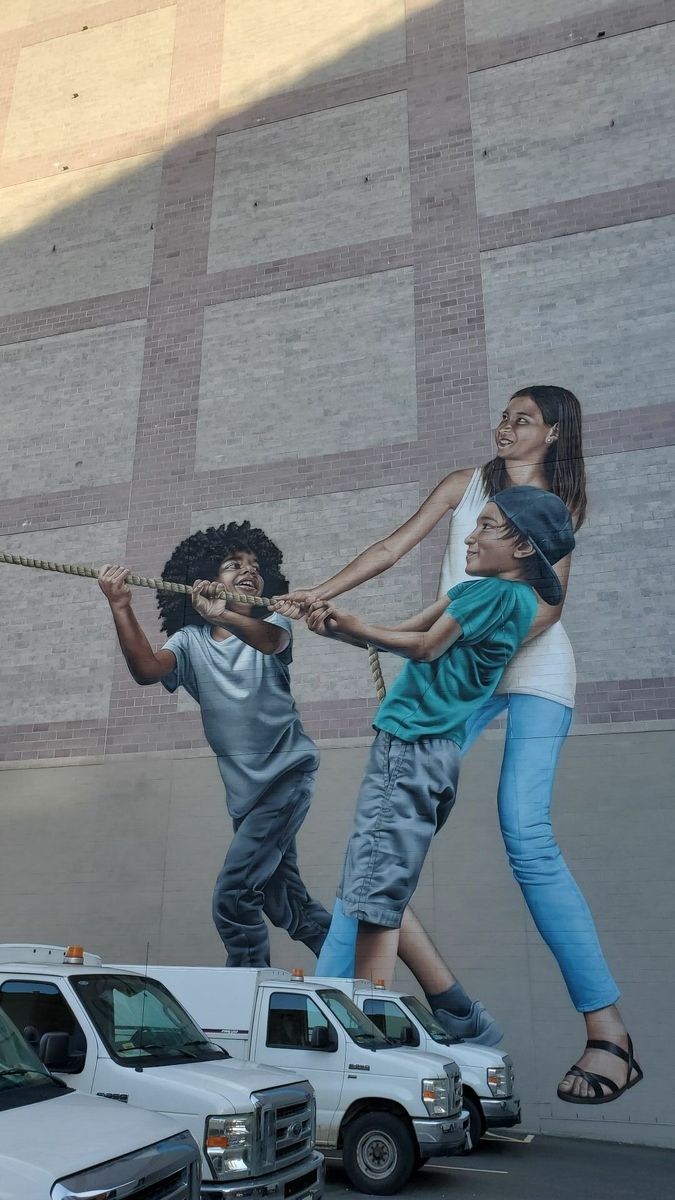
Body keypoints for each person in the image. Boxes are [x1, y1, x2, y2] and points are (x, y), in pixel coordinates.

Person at [278, 385, 641, 1104]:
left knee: (526, 836)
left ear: (554, 434)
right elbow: (391, 549)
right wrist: (318, 592)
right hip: (457, 667)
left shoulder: (558, 507)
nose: (505, 427)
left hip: (525, 668)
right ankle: (331, 1014)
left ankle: (610, 1036)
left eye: (522, 420)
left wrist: (453, 648)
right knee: (379, 838)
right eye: (503, 416)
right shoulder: (464, 485)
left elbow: (546, 610)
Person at [303, 489, 572, 996]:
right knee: (378, 883)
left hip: (412, 748)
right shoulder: (484, 593)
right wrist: (337, 627)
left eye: (487, 526)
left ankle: (368, 1018)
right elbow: (399, 633)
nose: (470, 536)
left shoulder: (496, 595)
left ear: (522, 548)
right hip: (429, 753)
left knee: (375, 891)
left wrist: (358, 626)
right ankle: (375, 1012)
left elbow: (426, 647)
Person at [97, 520, 330, 967]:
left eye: (255, 565)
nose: (248, 570)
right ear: (203, 578)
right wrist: (121, 605)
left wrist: (221, 614)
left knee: (234, 897)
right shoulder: (189, 642)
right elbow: (146, 670)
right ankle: (355, 971)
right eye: (232, 564)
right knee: (286, 903)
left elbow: (271, 643)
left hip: (285, 778)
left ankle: (246, 990)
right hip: (245, 796)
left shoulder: (272, 622)